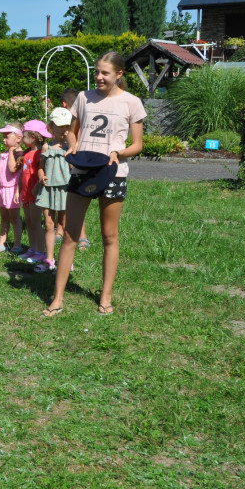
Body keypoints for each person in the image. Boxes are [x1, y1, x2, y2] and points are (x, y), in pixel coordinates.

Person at [44, 51, 146, 317]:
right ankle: (57, 298)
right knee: (69, 235)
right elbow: (74, 133)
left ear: (119, 75)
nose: (99, 77)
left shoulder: (131, 103)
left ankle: (106, 297)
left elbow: (137, 145)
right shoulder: (83, 97)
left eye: (105, 73)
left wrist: (117, 153)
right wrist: (72, 147)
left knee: (109, 236)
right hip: (82, 171)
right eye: (97, 72)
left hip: (113, 173)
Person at [34, 108, 74, 273]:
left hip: (65, 189)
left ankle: (65, 260)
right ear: (51, 126)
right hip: (48, 190)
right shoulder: (46, 147)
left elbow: (74, 167)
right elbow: (41, 168)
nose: (64, 129)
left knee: (64, 225)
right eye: (60, 126)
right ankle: (49, 259)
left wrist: (72, 148)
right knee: (49, 224)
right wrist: (41, 176)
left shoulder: (70, 146)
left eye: (67, 125)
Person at [56, 87, 88, 249]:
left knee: (76, 199)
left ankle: (81, 234)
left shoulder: (78, 119)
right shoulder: (62, 118)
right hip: (64, 161)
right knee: (63, 196)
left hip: (74, 162)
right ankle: (61, 229)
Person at [17, 119, 51, 264]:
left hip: (35, 194)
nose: (22, 138)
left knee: (36, 223)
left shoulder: (39, 154)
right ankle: (32, 248)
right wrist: (19, 191)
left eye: (24, 136)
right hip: (25, 194)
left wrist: (37, 188)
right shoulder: (27, 154)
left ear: (34, 136)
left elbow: (42, 172)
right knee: (30, 222)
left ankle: (40, 251)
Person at [0, 124, 24, 252]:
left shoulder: (20, 154)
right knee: (4, 218)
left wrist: (11, 152)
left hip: (12, 189)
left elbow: (12, 169)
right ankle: (2, 243)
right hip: (2, 189)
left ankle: (17, 244)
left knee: (15, 218)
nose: (3, 140)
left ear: (18, 138)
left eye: (6, 136)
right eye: (3, 137)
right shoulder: (4, 154)